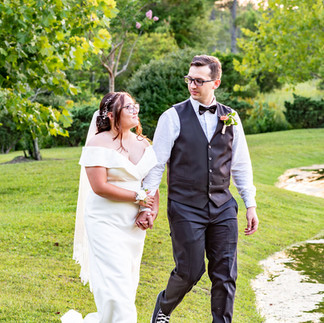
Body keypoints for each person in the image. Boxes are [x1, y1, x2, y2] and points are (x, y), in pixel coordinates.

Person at [139, 55, 259, 323]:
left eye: (199, 80)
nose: (192, 85)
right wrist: (146, 203)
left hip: (222, 206)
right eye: (189, 79)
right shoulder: (172, 117)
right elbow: (156, 165)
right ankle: (164, 307)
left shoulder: (232, 118)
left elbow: (240, 164)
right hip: (185, 207)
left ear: (215, 82)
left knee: (226, 273)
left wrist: (250, 204)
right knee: (190, 270)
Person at [61, 92, 159, 323]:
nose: (135, 110)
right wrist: (138, 197)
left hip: (132, 225)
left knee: (126, 282)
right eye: (128, 108)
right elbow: (99, 187)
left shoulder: (143, 143)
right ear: (112, 115)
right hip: (104, 221)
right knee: (114, 285)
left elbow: (151, 184)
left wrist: (149, 211)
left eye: (135, 105)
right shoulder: (98, 142)